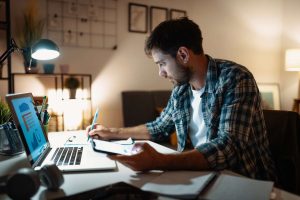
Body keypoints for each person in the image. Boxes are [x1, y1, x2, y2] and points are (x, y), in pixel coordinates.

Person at [87, 17, 277, 181]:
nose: (161, 73)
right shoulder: (181, 91)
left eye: (162, 63)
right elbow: (159, 127)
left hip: (243, 180)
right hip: (202, 177)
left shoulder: (235, 78)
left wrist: (160, 161)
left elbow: (228, 148)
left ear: (183, 55)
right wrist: (111, 132)